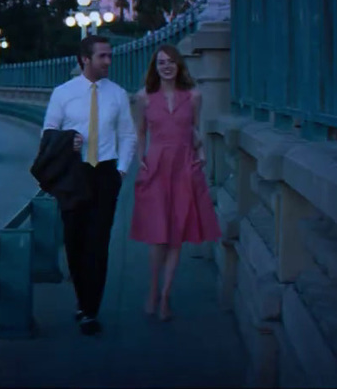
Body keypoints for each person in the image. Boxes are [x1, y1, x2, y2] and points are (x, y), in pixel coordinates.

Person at [42, 35, 137, 335]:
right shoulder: (63, 93)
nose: (108, 62)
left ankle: (90, 310)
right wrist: (68, 140)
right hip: (74, 175)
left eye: (110, 56)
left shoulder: (117, 94)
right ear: (85, 59)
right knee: (74, 241)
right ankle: (82, 300)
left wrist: (121, 170)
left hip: (105, 174)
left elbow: (128, 135)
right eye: (102, 57)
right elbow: (48, 132)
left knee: (98, 244)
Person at [128, 44, 221, 322]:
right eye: (160, 63)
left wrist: (201, 153)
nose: (166, 66)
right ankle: (153, 290)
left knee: (177, 235)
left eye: (170, 62)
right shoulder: (143, 97)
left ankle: (166, 297)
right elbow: (139, 133)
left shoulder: (194, 96)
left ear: (179, 65)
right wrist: (139, 162)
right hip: (155, 166)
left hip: (184, 166)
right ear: (155, 68)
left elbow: (195, 130)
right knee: (158, 236)